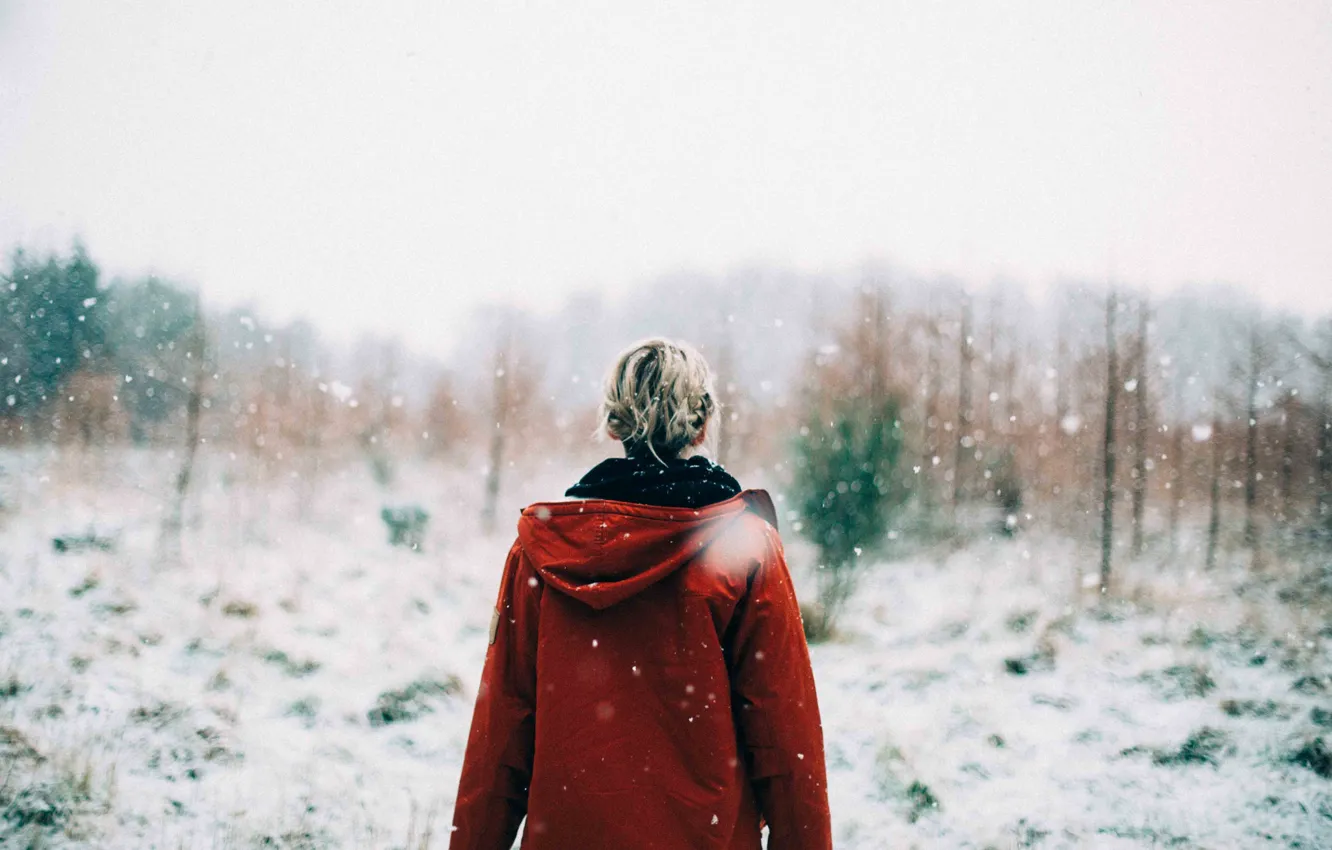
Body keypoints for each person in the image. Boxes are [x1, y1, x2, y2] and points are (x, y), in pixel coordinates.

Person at [449, 338, 832, 850]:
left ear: (613, 424)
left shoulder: (542, 551)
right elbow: (786, 736)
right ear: (702, 423)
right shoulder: (744, 549)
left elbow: (501, 734)